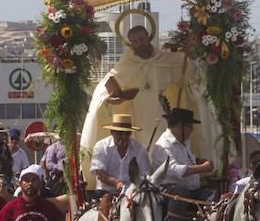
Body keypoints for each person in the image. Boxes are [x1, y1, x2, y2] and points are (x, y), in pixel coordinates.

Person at [79, 24, 222, 188]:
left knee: (161, 152)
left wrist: (191, 57)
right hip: (135, 119)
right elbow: (103, 91)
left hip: (159, 118)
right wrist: (109, 100)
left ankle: (161, 186)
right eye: (135, 41)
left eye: (141, 39)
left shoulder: (165, 60)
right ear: (131, 44)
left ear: (148, 38)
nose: (139, 43)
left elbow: (190, 79)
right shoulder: (126, 64)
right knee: (138, 152)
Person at [151, 107, 215, 221]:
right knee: (181, 192)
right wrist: (202, 167)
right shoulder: (163, 145)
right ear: (179, 126)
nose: (192, 130)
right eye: (190, 126)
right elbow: (176, 170)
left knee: (213, 196)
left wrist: (198, 161)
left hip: (189, 189)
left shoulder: (184, 143)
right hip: (167, 190)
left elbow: (185, 162)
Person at [90, 113, 150, 199]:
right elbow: (100, 173)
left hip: (132, 194)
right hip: (106, 193)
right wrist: (117, 183)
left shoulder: (140, 149)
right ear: (112, 132)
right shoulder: (101, 146)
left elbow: (145, 174)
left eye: (127, 133)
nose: (124, 137)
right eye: (120, 133)